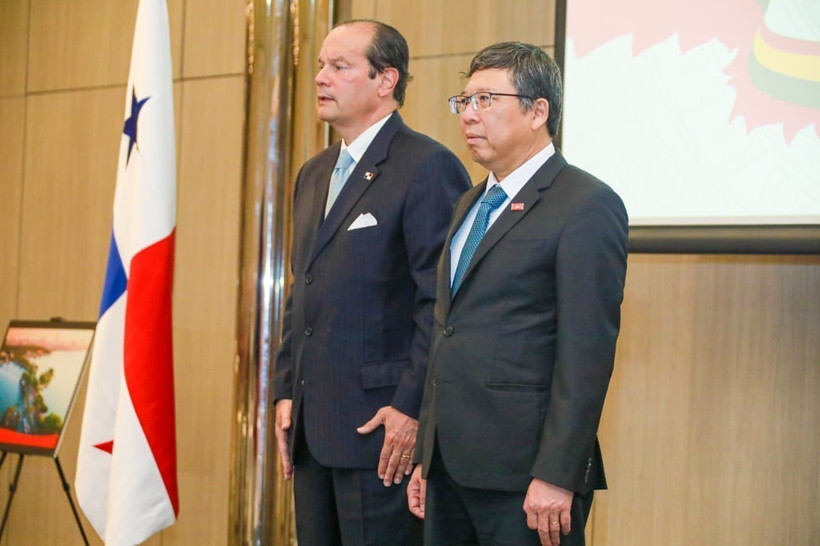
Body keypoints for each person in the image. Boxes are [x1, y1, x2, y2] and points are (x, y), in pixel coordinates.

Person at [407, 42, 628, 546]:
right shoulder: (470, 201)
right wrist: (427, 452)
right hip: (449, 469)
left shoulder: (586, 204)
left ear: (537, 111)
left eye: (486, 100)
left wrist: (557, 473)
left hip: (525, 479)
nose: (468, 115)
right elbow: (450, 333)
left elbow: (586, 355)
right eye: (463, 101)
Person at [272, 19, 471, 546]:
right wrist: (286, 389)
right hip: (313, 431)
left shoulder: (427, 166)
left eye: (339, 67)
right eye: (320, 65)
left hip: (381, 435)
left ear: (386, 81)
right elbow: (303, 288)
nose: (320, 78)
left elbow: (441, 303)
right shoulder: (313, 174)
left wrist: (410, 407)